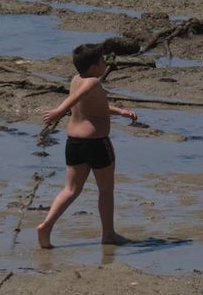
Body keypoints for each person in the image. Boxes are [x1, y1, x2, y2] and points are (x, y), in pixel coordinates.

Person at [37, 43, 137, 249]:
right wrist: (58, 111)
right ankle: (108, 234)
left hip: (74, 142)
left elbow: (93, 104)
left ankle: (46, 225)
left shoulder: (77, 80)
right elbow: (76, 98)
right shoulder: (92, 82)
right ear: (93, 67)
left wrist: (120, 111)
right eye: (102, 61)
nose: (105, 64)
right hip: (96, 143)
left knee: (71, 189)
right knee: (106, 189)